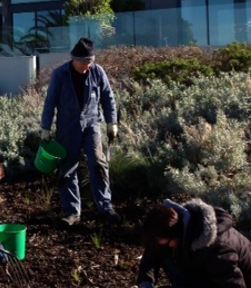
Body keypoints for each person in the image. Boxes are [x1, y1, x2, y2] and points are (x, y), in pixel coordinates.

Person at [40, 37, 120, 226]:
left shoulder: (98, 72)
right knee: (68, 168)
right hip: (67, 127)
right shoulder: (60, 74)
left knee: (98, 164)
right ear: (74, 59)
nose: (87, 66)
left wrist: (111, 123)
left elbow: (108, 98)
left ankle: (105, 207)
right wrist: (45, 127)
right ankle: (72, 212)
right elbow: (50, 101)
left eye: (90, 62)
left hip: (92, 124)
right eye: (84, 62)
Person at [137, 198, 251, 288]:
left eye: (164, 243)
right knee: (164, 254)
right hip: (205, 272)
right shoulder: (176, 225)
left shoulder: (217, 247)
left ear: (175, 234)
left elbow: (233, 283)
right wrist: (146, 282)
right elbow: (152, 254)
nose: (161, 245)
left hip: (238, 281)